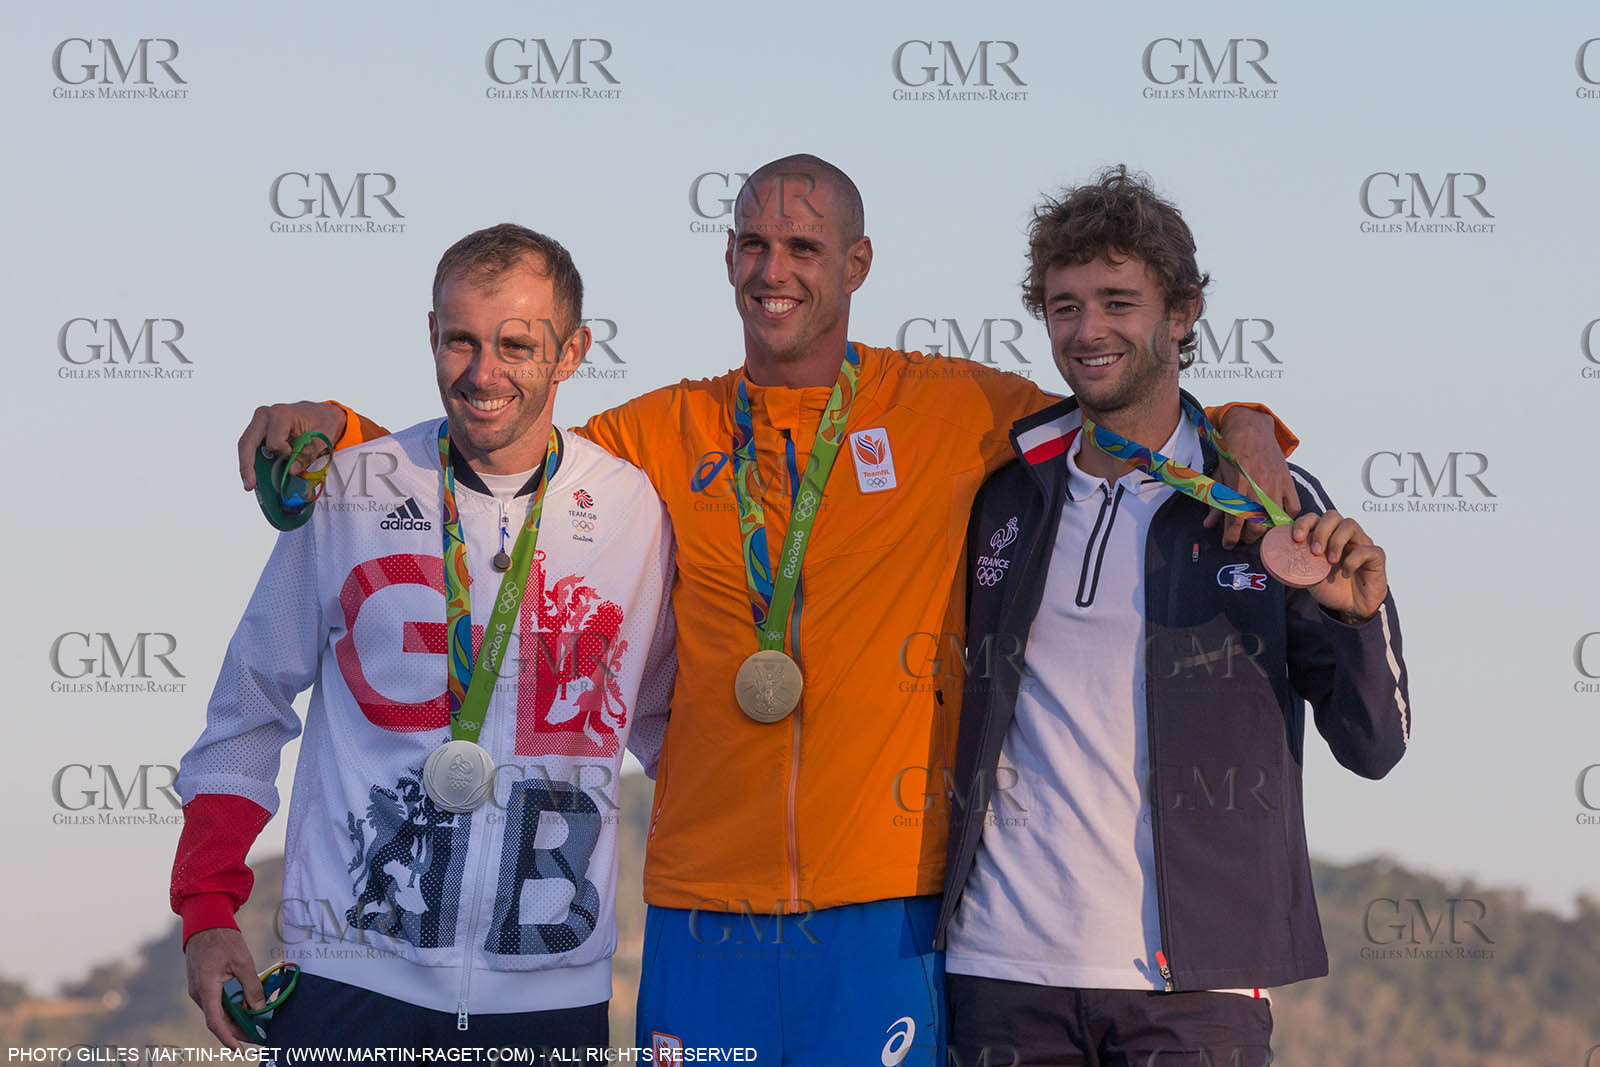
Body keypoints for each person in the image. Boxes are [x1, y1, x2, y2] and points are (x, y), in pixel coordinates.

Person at [236, 155, 1299, 1066]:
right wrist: (336, 426)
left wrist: (1244, 423)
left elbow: (1121, 409)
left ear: (856, 264)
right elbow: (495, 460)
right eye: (751, 243)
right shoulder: (657, 432)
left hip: (885, 915)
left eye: (801, 246)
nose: (772, 268)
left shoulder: (955, 410)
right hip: (703, 915)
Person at [937, 166, 1411, 1066]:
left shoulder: (1269, 501)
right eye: (1064, 305)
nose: (1089, 330)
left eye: (1119, 301)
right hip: (998, 975)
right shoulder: (1000, 489)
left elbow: (1376, 745)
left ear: (1182, 312)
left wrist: (1356, 619)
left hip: (1193, 993)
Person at [174, 224, 676, 1062]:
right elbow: (248, 704)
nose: (483, 373)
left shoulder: (635, 511)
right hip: (350, 983)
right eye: (460, 341)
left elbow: (670, 732)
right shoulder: (353, 486)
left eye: (517, 344)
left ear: (573, 352)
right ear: (431, 336)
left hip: (551, 1001)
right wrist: (207, 907)